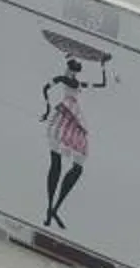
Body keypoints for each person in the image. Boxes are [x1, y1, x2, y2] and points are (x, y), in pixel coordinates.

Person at [41, 49, 108, 230]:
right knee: (57, 162)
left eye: (76, 68)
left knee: (76, 164)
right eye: (73, 68)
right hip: (64, 116)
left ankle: (54, 209)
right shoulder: (66, 80)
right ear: (69, 69)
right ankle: (50, 208)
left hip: (74, 119)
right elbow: (46, 87)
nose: (75, 71)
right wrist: (47, 109)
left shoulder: (77, 83)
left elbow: (102, 85)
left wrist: (103, 66)